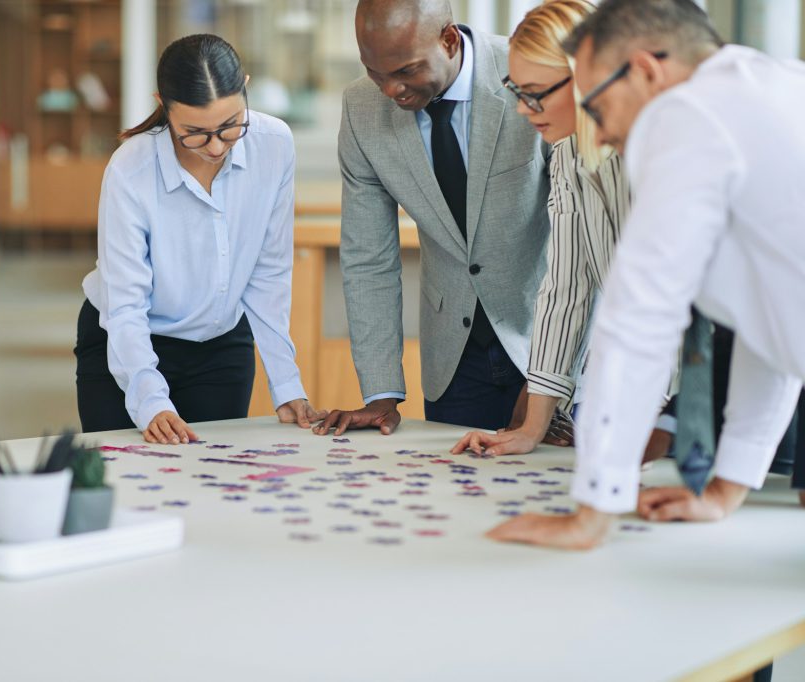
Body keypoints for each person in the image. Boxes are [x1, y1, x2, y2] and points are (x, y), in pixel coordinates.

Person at [488, 0, 805, 550]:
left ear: (647, 70)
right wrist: (724, 490)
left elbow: (638, 319)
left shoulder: (687, 118)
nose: (597, 123)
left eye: (598, 101)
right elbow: (778, 324)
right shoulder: (771, 87)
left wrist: (592, 510)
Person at [451, 0, 676, 461]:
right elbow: (566, 288)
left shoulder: (659, 149)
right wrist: (532, 428)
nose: (521, 109)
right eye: (516, 90)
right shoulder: (570, 152)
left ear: (588, 75)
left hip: (718, 382)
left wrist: (659, 418)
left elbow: (671, 307)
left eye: (535, 92)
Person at [314, 0, 551, 437]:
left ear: (448, 40)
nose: (390, 90)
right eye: (375, 72)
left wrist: (549, 380)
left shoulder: (529, 74)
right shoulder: (362, 110)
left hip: (546, 337)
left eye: (405, 71)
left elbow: (583, 238)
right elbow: (369, 259)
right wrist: (381, 394)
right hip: (454, 362)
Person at [74, 34, 325, 445]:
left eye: (230, 127)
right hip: (126, 342)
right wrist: (150, 399)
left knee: (214, 488)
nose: (215, 147)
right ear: (164, 104)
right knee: (127, 483)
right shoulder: (131, 168)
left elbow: (269, 274)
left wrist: (287, 384)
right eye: (194, 132)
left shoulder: (274, 145)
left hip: (220, 346)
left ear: (245, 86)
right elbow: (126, 304)